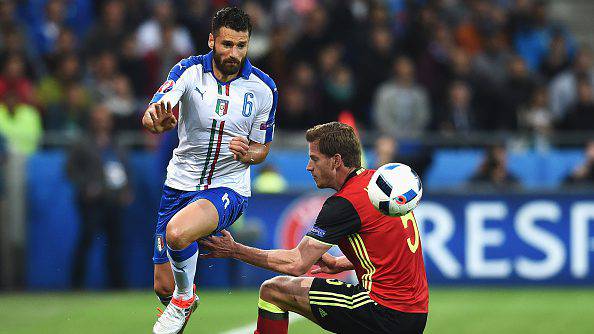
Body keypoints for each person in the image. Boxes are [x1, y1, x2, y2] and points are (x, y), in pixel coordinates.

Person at [200, 122, 429, 334]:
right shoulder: (377, 186)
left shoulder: (344, 203)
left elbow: (296, 264)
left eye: (315, 159)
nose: (309, 167)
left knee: (273, 290)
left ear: (336, 161)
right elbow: (391, 248)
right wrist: (341, 263)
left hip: (382, 310)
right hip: (415, 313)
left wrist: (234, 250)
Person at [144, 7, 277, 334]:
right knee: (163, 287)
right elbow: (152, 112)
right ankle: (181, 296)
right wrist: (155, 123)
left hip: (228, 188)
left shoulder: (263, 88)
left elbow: (263, 148)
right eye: (227, 44)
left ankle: (186, 298)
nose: (234, 53)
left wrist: (250, 152)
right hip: (179, 185)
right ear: (211, 40)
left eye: (241, 45)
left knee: (177, 232)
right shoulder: (188, 71)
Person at [66, 104, 131, 289]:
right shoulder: (83, 143)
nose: (102, 123)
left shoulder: (116, 143)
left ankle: (117, 286)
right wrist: (86, 186)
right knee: (86, 242)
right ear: (92, 121)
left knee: (116, 245)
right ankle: (76, 285)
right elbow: (70, 170)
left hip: (114, 200)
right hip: (91, 202)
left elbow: (125, 169)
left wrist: (127, 189)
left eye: (105, 119)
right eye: (98, 119)